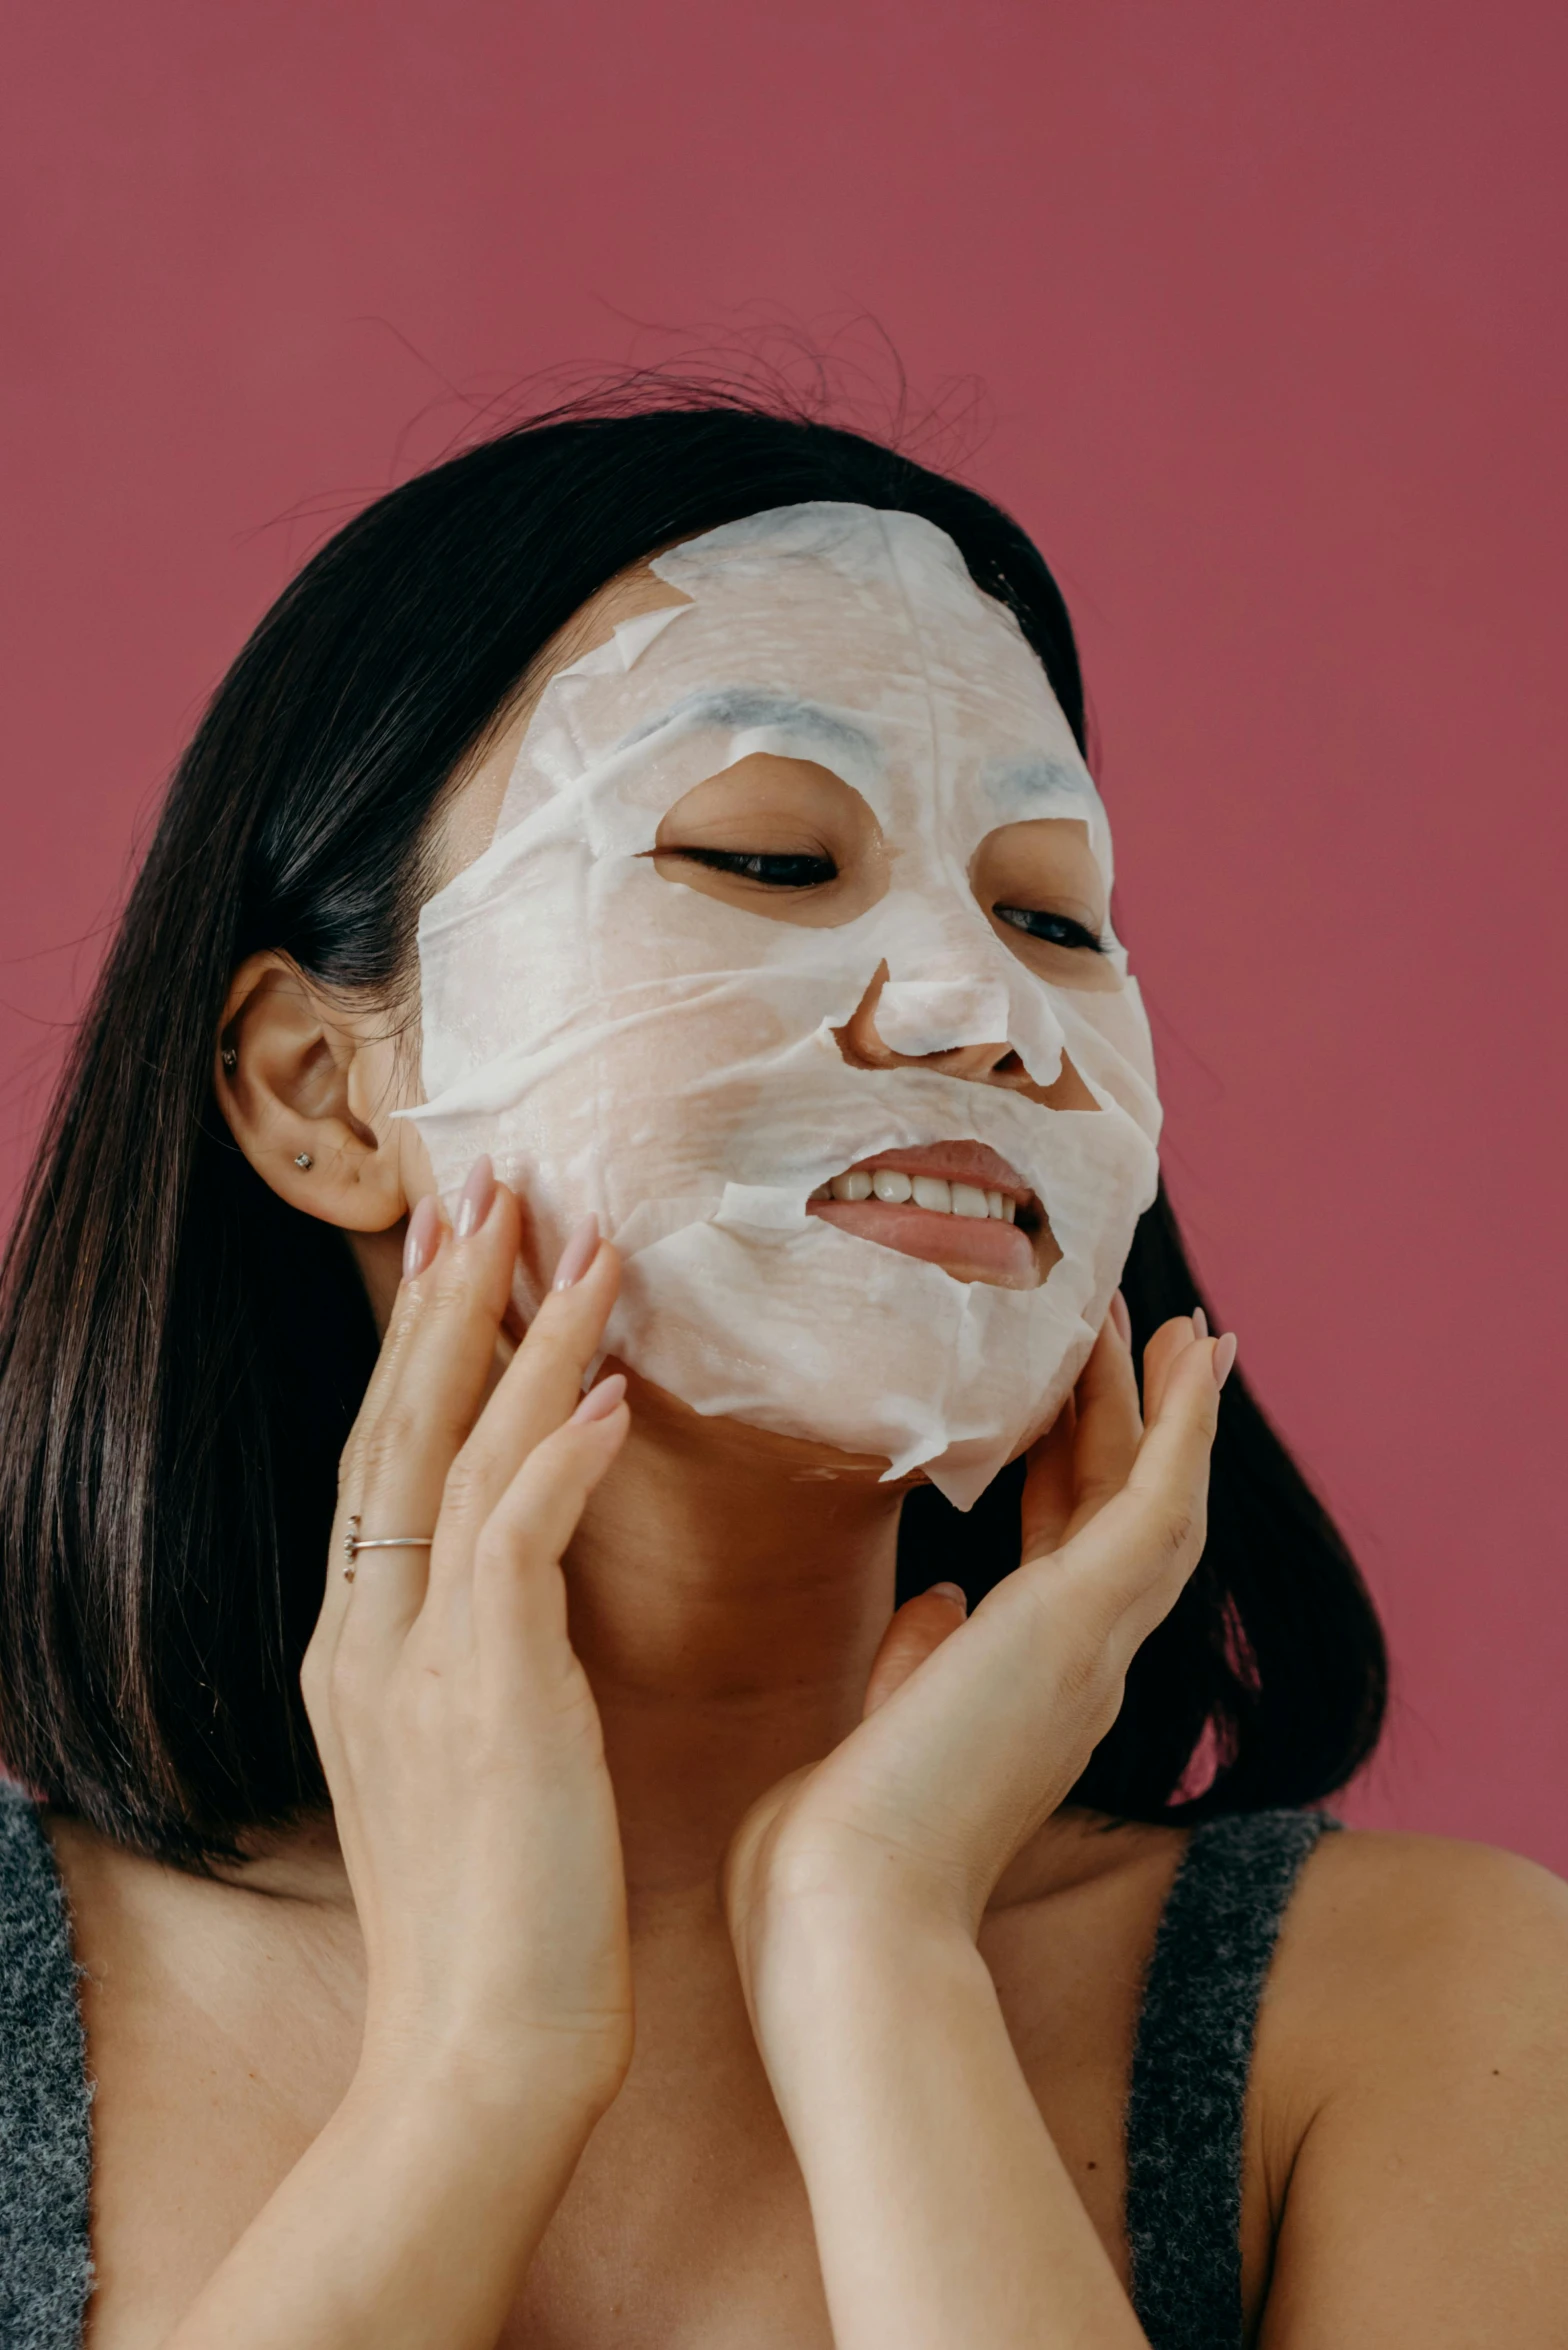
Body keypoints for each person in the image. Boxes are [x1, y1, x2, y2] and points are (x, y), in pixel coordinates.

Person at [0, 398, 1562, 2350]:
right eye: (763, 852)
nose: (981, 1008)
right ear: (325, 1089)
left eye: (1051, 909)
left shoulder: (1424, 2013)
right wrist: (471, 2076)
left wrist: (874, 1946)